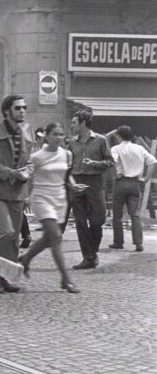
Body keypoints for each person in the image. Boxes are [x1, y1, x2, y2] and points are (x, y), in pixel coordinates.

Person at [19, 122, 84, 294]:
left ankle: (25, 259)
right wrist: (26, 196)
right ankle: (66, 279)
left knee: (49, 238)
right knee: (56, 236)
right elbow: (27, 176)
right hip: (42, 198)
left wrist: (73, 186)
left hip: (60, 199)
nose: (58, 137)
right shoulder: (37, 157)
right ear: (46, 136)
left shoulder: (67, 154)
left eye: (61, 134)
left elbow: (67, 176)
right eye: (54, 134)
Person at [0, 95, 32, 294]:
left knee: (14, 238)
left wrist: (27, 175)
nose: (22, 111)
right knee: (6, 232)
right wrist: (10, 173)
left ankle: (5, 276)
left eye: (24, 107)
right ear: (7, 111)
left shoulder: (26, 136)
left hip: (17, 191)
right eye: (18, 108)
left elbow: (28, 163)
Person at [67, 109, 114, 269]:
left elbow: (110, 162)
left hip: (94, 183)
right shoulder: (71, 143)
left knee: (97, 221)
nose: (71, 126)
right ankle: (88, 258)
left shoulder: (101, 140)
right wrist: (71, 183)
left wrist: (94, 163)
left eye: (74, 123)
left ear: (83, 123)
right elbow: (67, 166)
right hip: (77, 183)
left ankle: (92, 253)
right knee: (80, 222)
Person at [109, 125, 156, 252]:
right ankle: (138, 243)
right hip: (135, 183)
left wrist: (115, 175)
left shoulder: (116, 148)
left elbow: (112, 162)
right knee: (135, 214)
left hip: (121, 182)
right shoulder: (139, 148)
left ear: (119, 136)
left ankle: (118, 242)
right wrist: (146, 179)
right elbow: (153, 162)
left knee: (117, 215)